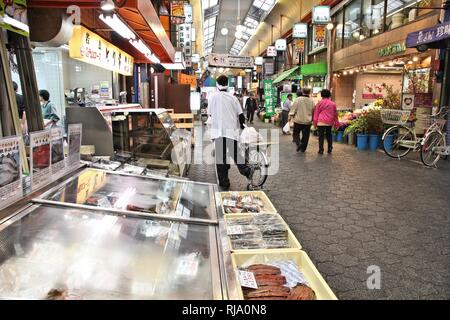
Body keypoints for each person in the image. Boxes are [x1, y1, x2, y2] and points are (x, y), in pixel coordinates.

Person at [208, 75, 251, 191]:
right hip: (231, 132)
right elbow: (241, 115)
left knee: (221, 159)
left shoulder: (212, 97)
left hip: (218, 133)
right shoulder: (233, 98)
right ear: (227, 84)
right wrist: (242, 126)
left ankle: (224, 183)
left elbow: (210, 114)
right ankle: (246, 170)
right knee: (235, 153)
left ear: (217, 84)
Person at [290, 88, 315, 153]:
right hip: (307, 121)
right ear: (309, 93)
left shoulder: (298, 99)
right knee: (306, 135)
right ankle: (303, 148)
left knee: (296, 133)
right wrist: (312, 119)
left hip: (298, 120)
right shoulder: (311, 101)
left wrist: (291, 116)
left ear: (302, 92)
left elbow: (293, 109)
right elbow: (313, 111)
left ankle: (298, 143)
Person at [313, 89, 338, 155]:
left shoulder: (319, 103)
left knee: (321, 136)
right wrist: (336, 123)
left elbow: (316, 114)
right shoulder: (333, 104)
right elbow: (335, 114)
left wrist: (315, 123)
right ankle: (330, 148)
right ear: (329, 95)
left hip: (320, 122)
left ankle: (321, 150)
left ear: (321, 95)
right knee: (329, 135)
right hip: (329, 122)